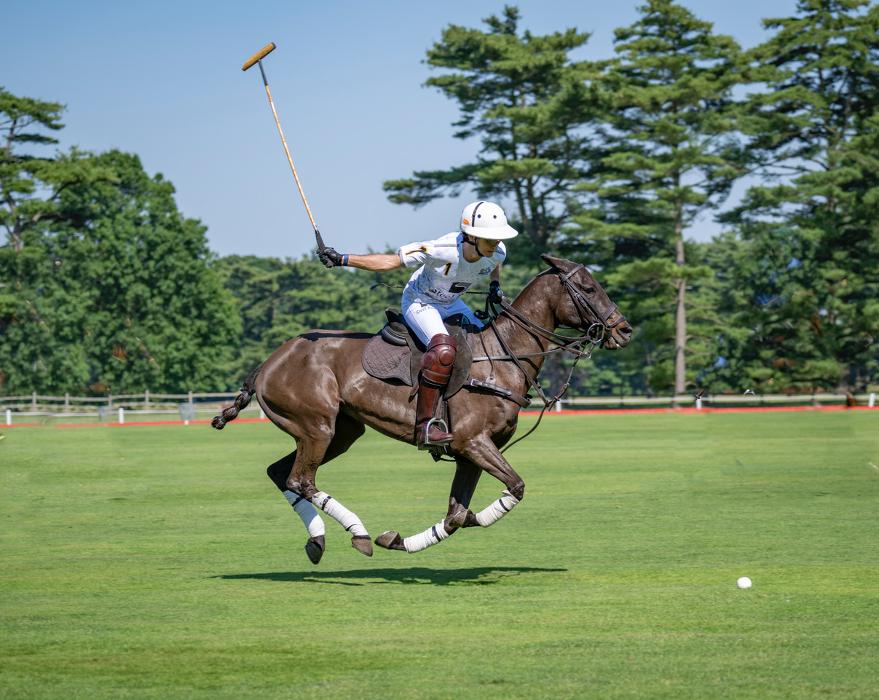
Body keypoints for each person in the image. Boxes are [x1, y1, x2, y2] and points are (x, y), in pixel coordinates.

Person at [318, 200, 518, 449]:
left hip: (453, 303)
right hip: (421, 302)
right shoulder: (441, 249)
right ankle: (426, 425)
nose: (496, 244)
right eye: (490, 239)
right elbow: (390, 262)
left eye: (498, 239)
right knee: (443, 350)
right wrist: (343, 259)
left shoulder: (497, 252)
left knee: (489, 341)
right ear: (470, 236)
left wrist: (494, 285)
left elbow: (494, 263)